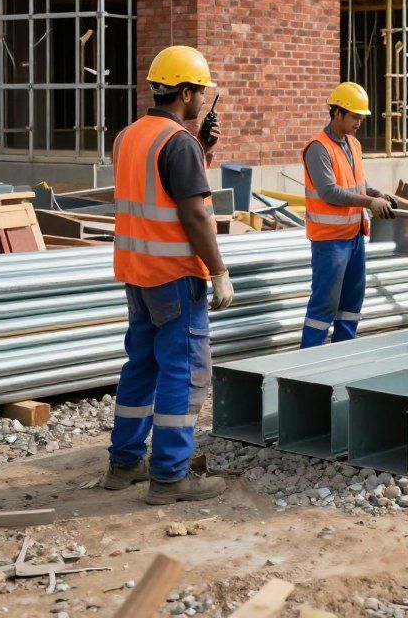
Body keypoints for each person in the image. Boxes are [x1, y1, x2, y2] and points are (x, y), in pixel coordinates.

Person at [105, 45, 232, 504]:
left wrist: (204, 148)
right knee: (184, 373)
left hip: (137, 273)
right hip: (176, 276)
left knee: (141, 365)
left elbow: (157, 185)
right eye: (200, 91)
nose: (203, 99)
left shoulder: (130, 136)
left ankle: (123, 464)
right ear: (184, 92)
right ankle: (170, 476)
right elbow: (194, 214)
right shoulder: (178, 144)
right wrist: (218, 271)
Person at [302, 81, 396, 347]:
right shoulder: (318, 148)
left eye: (361, 118)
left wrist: (376, 195)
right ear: (337, 113)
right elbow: (330, 192)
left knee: (351, 305)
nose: (359, 123)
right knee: (324, 306)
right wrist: (369, 202)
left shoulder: (353, 144)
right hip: (330, 241)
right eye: (355, 116)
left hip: (354, 237)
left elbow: (357, 184)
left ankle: (344, 356)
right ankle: (308, 364)